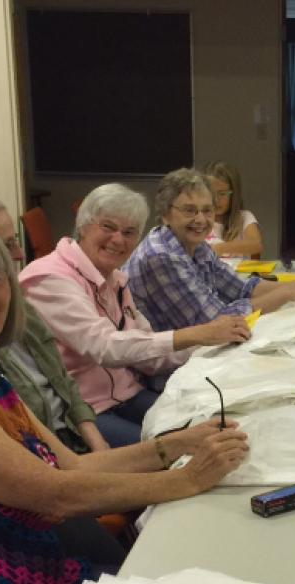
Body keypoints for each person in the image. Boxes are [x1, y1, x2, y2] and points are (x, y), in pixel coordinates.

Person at [0, 213, 249, 581]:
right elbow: (52, 495)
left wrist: (178, 443)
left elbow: (73, 469)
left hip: (30, 563)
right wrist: (188, 479)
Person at [19, 183, 250, 447]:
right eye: (107, 227)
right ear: (83, 226)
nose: (118, 239)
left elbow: (149, 356)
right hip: (84, 412)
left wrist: (214, 344)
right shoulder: (50, 278)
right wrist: (197, 334)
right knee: (183, 453)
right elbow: (104, 347)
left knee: (220, 428)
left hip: (127, 394)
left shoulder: (115, 279)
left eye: (129, 232)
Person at [0, 191, 109, 454]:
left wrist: (98, 446)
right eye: (5, 246)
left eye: (14, 241)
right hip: (44, 451)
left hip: (71, 437)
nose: (18, 254)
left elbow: (63, 381)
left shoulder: (18, 302)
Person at [125, 168, 295, 332]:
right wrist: (284, 293)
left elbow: (240, 288)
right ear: (166, 214)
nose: (201, 219)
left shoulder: (197, 246)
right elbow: (216, 322)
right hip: (163, 367)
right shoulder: (161, 256)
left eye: (207, 210)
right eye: (190, 210)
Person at [202, 161, 263, 258]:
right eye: (211, 193)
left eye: (222, 194)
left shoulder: (244, 217)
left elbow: (256, 245)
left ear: (234, 195)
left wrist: (220, 248)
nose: (216, 200)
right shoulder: (199, 220)